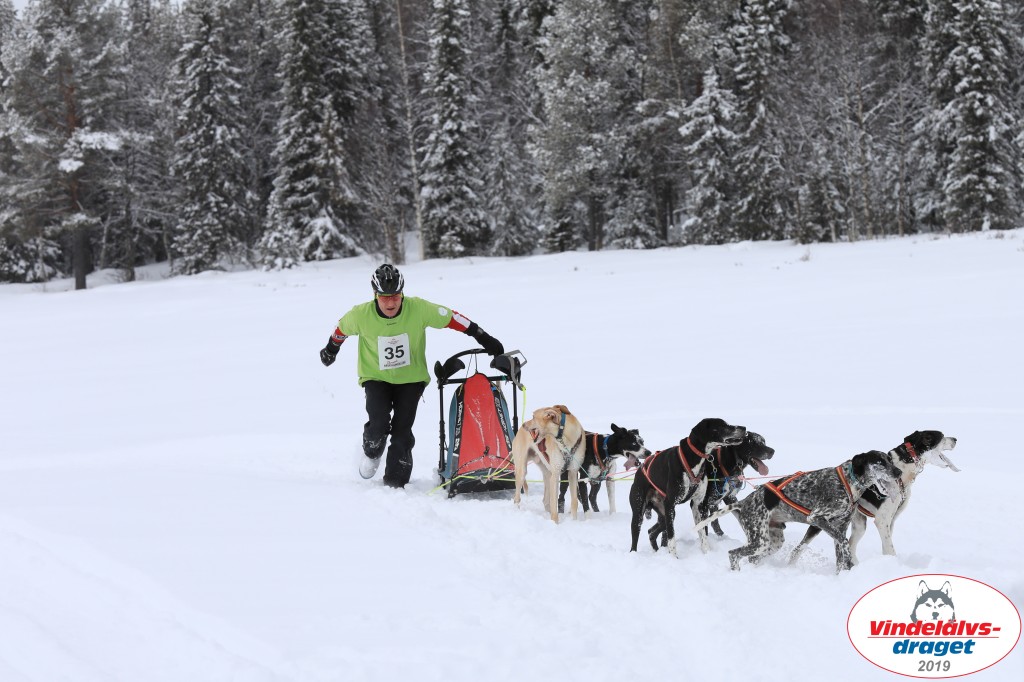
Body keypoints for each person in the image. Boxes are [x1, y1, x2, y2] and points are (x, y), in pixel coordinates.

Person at [319, 263, 505, 488]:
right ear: (375, 295)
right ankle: (372, 451)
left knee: (402, 431)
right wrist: (331, 350)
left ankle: (395, 481)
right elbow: (340, 331)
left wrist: (483, 337)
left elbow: (453, 318)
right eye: (384, 297)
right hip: (375, 377)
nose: (391, 303)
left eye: (395, 296)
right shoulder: (360, 315)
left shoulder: (418, 309)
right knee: (378, 423)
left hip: (411, 379)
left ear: (402, 294)